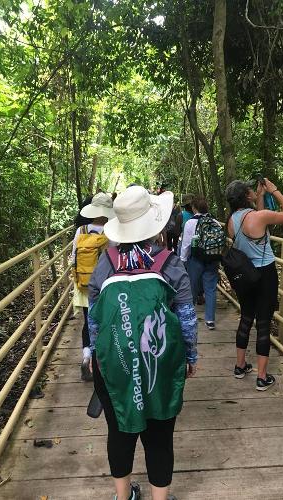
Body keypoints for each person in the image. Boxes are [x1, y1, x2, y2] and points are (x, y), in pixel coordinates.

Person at [88, 185, 198, 500]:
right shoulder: (169, 262)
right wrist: (189, 356)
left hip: (114, 362)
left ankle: (123, 497)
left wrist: (97, 354)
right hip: (161, 359)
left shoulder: (105, 261)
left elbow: (94, 318)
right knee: (160, 435)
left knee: (120, 431)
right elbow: (187, 317)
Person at [225, 178, 283, 390]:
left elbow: (256, 220)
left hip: (244, 274)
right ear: (247, 195)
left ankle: (240, 366)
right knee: (264, 322)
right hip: (265, 274)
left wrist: (260, 196)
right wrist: (274, 190)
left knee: (247, 317)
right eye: (251, 190)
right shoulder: (259, 217)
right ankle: (262, 377)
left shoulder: (232, 220)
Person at [71, 192, 115, 381]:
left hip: (84, 286)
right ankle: (104, 362)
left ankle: (87, 357)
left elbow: (73, 258)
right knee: (107, 323)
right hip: (105, 286)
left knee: (89, 323)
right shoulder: (112, 230)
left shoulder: (81, 231)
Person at [180, 197, 220, 330]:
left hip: (196, 259)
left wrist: (182, 260)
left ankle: (189, 315)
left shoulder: (190, 223)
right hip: (212, 259)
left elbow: (186, 244)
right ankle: (210, 320)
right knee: (210, 288)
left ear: (194, 208)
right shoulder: (215, 222)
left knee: (192, 287)